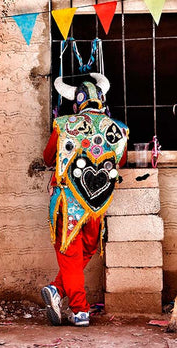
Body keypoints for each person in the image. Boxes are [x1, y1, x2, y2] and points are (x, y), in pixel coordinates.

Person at [41, 73, 129, 327]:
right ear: (101, 101)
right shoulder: (118, 129)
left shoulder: (64, 124)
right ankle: (57, 291)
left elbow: (49, 158)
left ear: (76, 104)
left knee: (69, 254)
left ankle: (80, 310)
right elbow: (120, 161)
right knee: (87, 250)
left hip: (67, 203)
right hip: (96, 207)